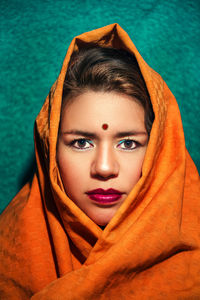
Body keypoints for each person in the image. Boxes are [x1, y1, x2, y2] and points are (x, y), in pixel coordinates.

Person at [0, 23, 199, 299]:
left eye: (128, 143)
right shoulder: (7, 254)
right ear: (51, 152)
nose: (104, 168)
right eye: (81, 143)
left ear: (160, 152)